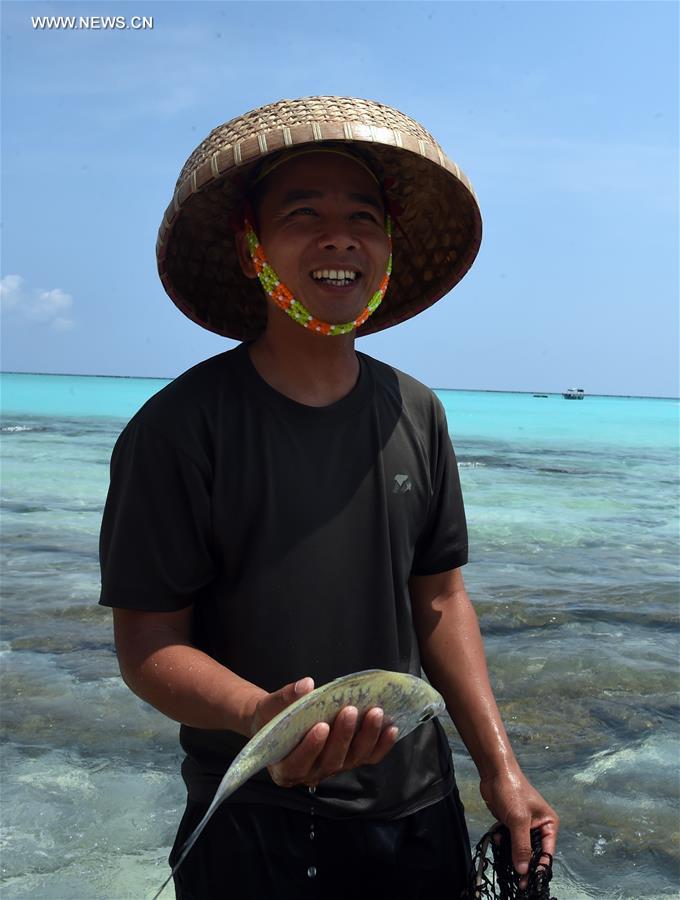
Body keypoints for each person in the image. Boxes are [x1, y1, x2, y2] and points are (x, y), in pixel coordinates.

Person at [99, 96, 558, 899]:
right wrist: (260, 718)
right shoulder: (179, 428)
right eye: (302, 213)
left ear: (386, 250)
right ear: (251, 250)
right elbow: (147, 644)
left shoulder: (416, 411)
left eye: (364, 218)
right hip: (251, 817)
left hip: (419, 810)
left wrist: (502, 769)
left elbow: (443, 601)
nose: (339, 236)